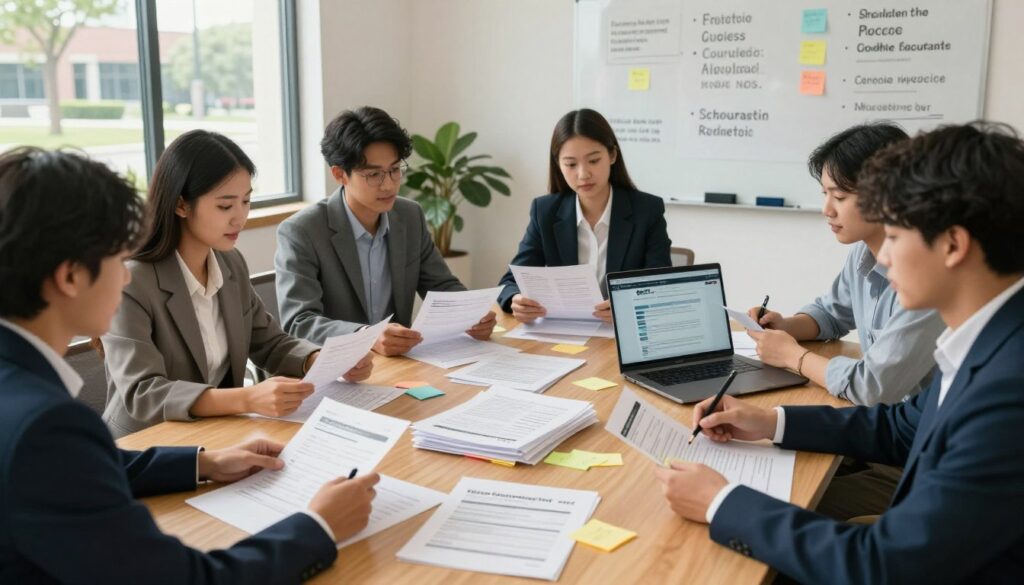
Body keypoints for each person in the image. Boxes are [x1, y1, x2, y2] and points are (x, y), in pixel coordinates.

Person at [655, 122, 1024, 584]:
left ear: (953, 244)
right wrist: (767, 422)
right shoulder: (990, 340)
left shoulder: (1009, 389)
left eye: (895, 235)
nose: (883, 257)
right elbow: (902, 427)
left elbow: (883, 566)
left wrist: (720, 501)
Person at [0, 147, 380, 583]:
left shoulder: (29, 406)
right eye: (114, 259)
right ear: (70, 277)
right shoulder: (46, 425)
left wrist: (203, 463)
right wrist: (319, 527)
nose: (124, 275)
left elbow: (72, 469)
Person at [102, 130, 373, 437]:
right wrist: (247, 397)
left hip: (215, 435)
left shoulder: (230, 263)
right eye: (225, 206)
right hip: (146, 445)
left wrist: (320, 360)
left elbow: (268, 342)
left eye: (246, 201)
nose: (240, 218)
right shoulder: (131, 281)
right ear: (181, 205)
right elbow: (143, 392)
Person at [746, 123, 944, 407]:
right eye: (824, 194)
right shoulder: (864, 251)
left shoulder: (928, 277)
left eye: (839, 197)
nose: (827, 210)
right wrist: (786, 326)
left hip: (917, 432)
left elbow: (872, 387)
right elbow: (832, 313)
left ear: (888, 194)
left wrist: (793, 356)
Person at [275, 106, 496, 356]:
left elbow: (441, 286)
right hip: (339, 370)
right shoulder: (302, 231)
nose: (389, 184)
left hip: (399, 364)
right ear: (339, 174)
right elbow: (299, 321)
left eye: (394, 170)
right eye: (374, 174)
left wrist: (470, 314)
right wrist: (365, 337)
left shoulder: (409, 216)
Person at [496, 108, 672, 324]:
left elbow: (662, 283)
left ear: (612, 155)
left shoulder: (647, 210)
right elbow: (510, 282)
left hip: (623, 334)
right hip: (564, 336)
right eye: (571, 164)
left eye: (594, 161)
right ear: (558, 165)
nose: (583, 174)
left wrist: (626, 305)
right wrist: (516, 299)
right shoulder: (545, 212)